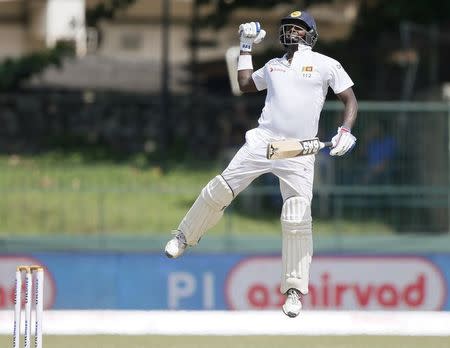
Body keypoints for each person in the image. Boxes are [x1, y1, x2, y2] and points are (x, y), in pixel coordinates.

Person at [165, 10, 358, 318]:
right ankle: (183, 236)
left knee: (296, 216)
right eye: (286, 27)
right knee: (220, 189)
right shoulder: (273, 66)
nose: (290, 32)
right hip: (262, 142)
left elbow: (350, 100)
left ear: (310, 34)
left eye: (297, 28)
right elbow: (244, 84)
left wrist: (345, 130)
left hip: (299, 152)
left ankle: (294, 290)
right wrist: (245, 45)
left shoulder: (326, 64)